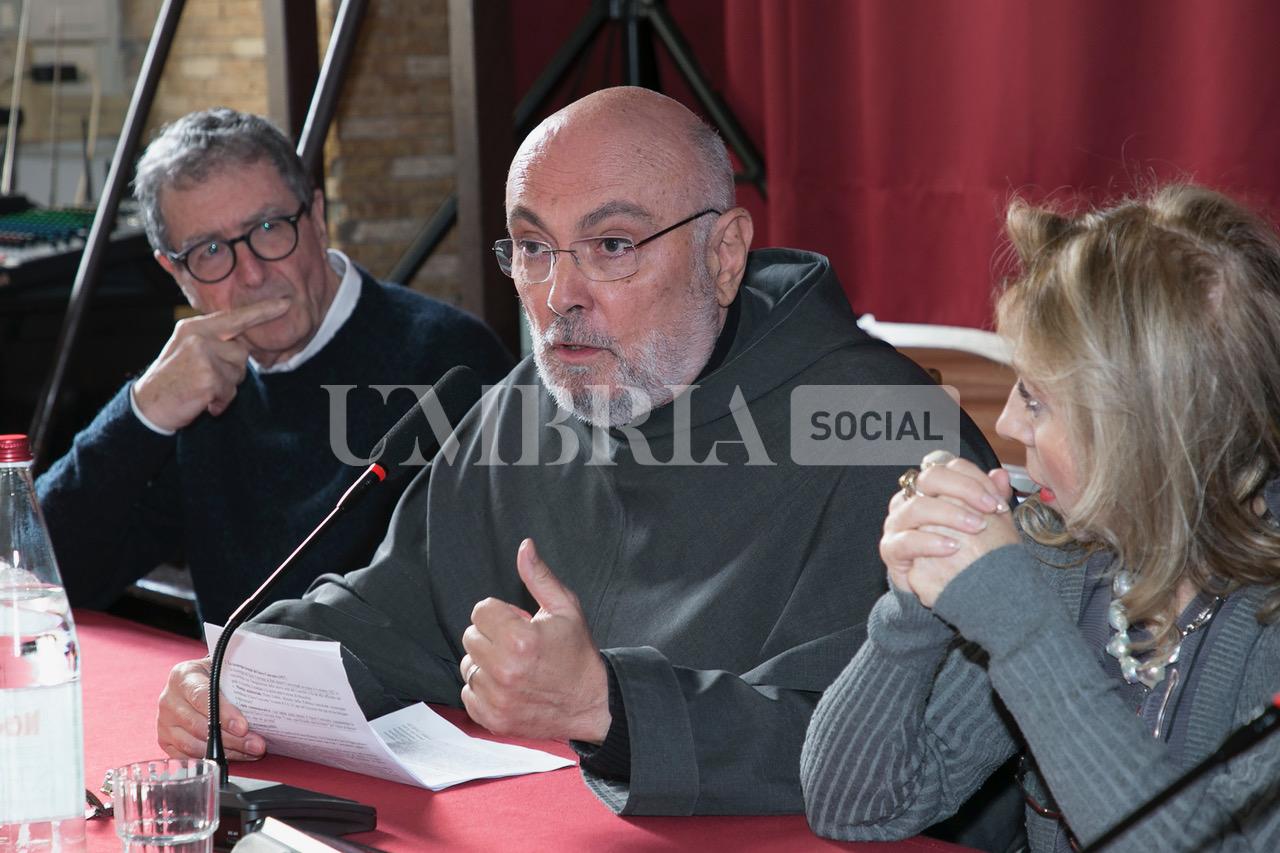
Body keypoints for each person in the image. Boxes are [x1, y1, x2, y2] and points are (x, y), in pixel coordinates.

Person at [154, 87, 1000, 817]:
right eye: (532, 247)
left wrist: (610, 706)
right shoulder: (523, 406)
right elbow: (395, 610)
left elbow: (900, 751)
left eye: (613, 246)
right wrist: (241, 675)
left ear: (725, 255)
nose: (559, 296)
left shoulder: (882, 427)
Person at [801, 184, 1280, 850]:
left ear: (1145, 431)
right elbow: (852, 806)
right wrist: (911, 612)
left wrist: (1020, 629)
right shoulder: (1068, 552)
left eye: (1036, 399)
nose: (1004, 422)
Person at [37, 108, 513, 626]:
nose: (252, 273)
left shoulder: (448, 362)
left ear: (316, 217)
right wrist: (142, 414)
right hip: (233, 699)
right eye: (210, 250)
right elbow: (40, 576)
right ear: (174, 273)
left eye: (267, 228)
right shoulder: (195, 389)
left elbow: (491, 601)